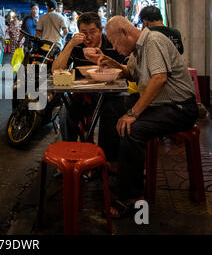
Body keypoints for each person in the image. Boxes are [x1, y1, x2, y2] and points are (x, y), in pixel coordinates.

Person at [98, 16, 198, 218]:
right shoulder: (137, 50)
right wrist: (112, 63)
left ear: (125, 33)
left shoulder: (153, 40)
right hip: (161, 106)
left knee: (132, 129)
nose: (115, 48)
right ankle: (116, 166)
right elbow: (131, 73)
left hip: (180, 108)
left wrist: (133, 114)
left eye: (115, 42)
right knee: (113, 110)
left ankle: (131, 197)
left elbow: (159, 78)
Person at [52, 12, 126, 142]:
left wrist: (105, 61)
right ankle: (71, 148)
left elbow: (126, 70)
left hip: (108, 94)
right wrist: (70, 45)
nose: (88, 37)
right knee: (65, 113)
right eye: (83, 32)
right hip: (81, 94)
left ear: (101, 30)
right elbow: (56, 70)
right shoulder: (77, 46)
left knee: (109, 112)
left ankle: (105, 153)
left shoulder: (111, 44)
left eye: (93, 32)